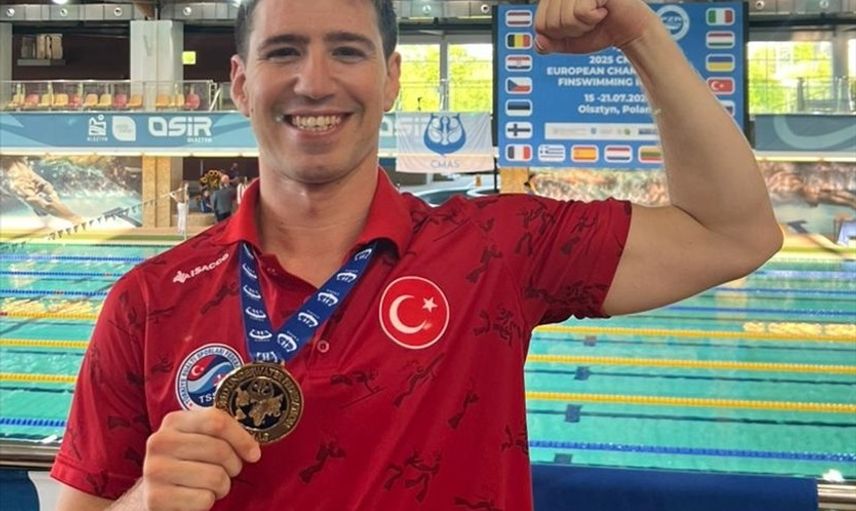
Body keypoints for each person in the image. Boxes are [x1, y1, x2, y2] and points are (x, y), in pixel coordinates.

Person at [52, 0, 783, 509]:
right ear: (241, 84)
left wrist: (640, 34)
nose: (315, 82)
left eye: (347, 51)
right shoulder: (150, 299)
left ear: (392, 78)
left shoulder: (496, 249)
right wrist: (144, 502)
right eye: (284, 51)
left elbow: (733, 233)